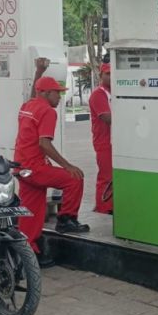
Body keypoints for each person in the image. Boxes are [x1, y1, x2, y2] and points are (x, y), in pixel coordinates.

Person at [15, 58, 89, 256]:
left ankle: (27, 251)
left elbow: (34, 93)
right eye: (57, 93)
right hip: (35, 167)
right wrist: (68, 165)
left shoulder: (28, 106)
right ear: (46, 93)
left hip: (21, 168)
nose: (59, 97)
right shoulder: (47, 111)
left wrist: (39, 71)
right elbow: (44, 144)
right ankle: (66, 220)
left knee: (31, 211)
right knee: (75, 178)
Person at [88, 62, 113, 214]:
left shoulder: (115, 92)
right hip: (104, 142)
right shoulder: (99, 94)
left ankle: (111, 206)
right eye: (108, 74)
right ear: (101, 76)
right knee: (106, 177)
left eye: (113, 74)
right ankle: (103, 208)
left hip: (114, 141)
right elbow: (107, 117)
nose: (111, 77)